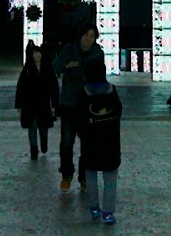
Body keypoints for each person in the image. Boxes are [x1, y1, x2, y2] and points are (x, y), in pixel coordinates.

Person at [52, 22, 104, 191]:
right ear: (80, 36)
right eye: (86, 35)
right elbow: (56, 67)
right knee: (67, 142)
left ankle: (84, 177)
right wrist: (67, 66)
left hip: (89, 104)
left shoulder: (97, 53)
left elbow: (99, 75)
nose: (89, 39)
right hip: (69, 103)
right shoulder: (69, 50)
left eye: (92, 36)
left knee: (88, 144)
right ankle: (66, 174)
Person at [81, 57, 123, 225]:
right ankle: (108, 212)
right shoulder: (112, 90)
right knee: (110, 178)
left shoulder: (84, 92)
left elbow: (79, 116)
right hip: (110, 142)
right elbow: (118, 112)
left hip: (90, 142)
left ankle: (94, 208)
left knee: (91, 175)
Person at [15, 45, 59, 160]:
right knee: (32, 126)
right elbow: (21, 86)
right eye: (35, 53)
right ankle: (33, 149)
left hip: (44, 103)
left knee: (44, 127)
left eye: (39, 52)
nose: (37, 55)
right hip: (29, 103)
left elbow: (54, 86)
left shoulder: (48, 68)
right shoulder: (28, 68)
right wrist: (19, 104)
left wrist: (55, 103)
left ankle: (44, 144)